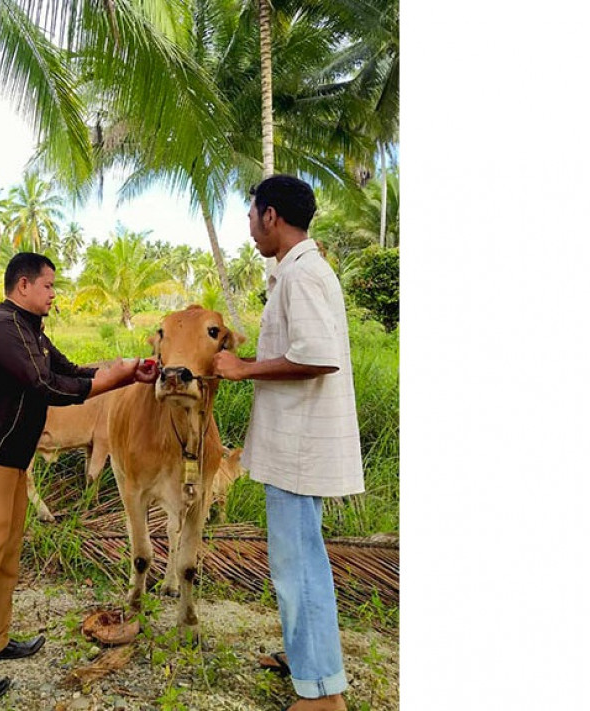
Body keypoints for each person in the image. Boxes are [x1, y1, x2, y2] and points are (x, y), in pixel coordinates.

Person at [0, 252, 158, 705]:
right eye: (49, 286)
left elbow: (69, 371)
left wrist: (125, 371)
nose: (54, 294)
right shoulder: (2, 329)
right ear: (24, 285)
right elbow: (46, 386)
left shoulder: (29, 330)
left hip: (9, 461)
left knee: (4, 556)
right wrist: (111, 384)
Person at [213, 175, 364, 711]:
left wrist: (243, 368)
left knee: (298, 565)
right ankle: (306, 661)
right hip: (292, 448)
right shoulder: (296, 273)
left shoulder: (302, 276)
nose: (250, 228)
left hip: (300, 452)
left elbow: (318, 356)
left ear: (271, 215)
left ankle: (323, 693)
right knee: (297, 561)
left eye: (252, 215)